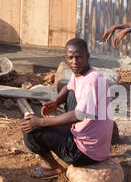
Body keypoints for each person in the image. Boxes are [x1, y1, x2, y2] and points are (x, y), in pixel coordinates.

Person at [20, 38, 113, 167]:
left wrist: (41, 122)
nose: (74, 62)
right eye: (70, 58)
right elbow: (68, 87)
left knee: (28, 128)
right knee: (70, 93)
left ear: (87, 56)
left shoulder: (93, 80)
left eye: (79, 57)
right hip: (95, 146)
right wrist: (56, 102)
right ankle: (68, 133)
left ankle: (52, 167)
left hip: (84, 153)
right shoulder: (84, 74)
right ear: (66, 59)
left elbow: (78, 115)